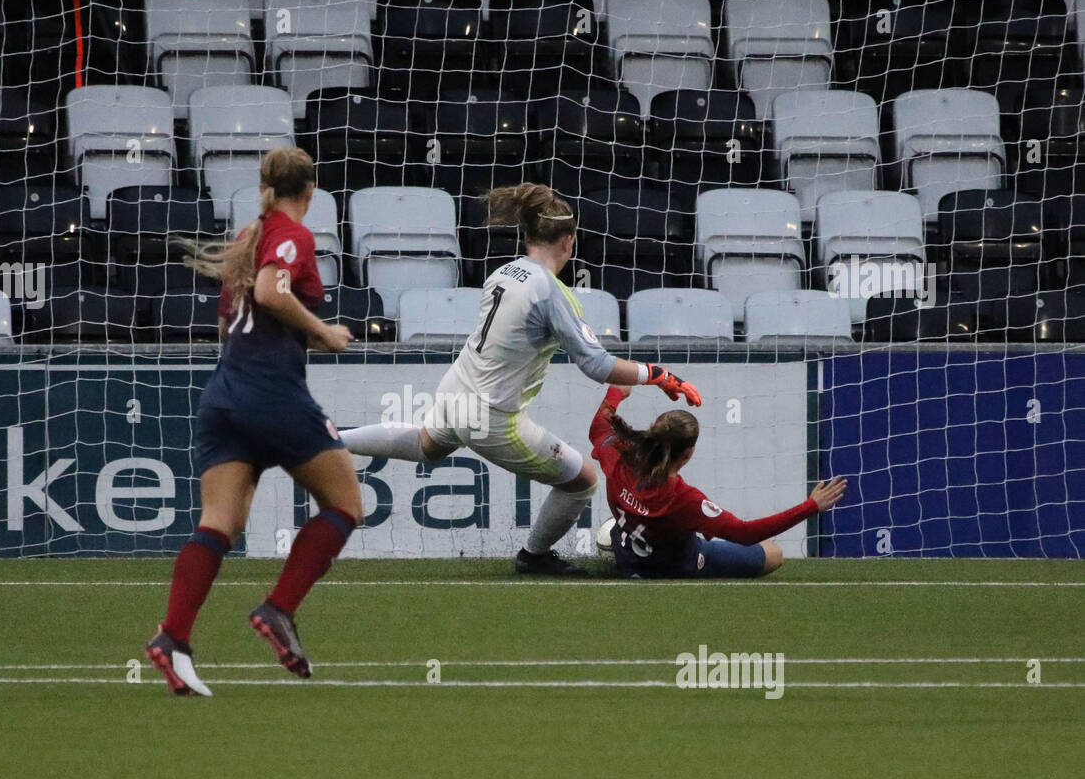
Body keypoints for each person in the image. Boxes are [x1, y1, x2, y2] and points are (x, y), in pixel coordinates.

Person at [340, 183, 701, 576]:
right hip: (493, 416)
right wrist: (660, 375)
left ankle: (332, 440)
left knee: (427, 444)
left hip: (455, 390)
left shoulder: (503, 272)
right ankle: (535, 556)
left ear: (527, 236)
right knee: (581, 480)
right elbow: (597, 366)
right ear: (569, 241)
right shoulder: (551, 293)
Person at [145, 146, 361, 694]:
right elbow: (271, 290)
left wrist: (292, 332)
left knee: (220, 523)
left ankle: (173, 637)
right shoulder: (292, 233)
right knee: (345, 505)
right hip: (271, 392)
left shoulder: (247, 237)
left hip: (225, 391)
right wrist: (324, 331)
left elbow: (232, 317)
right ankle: (279, 609)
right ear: (310, 194)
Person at [590, 385, 848, 578]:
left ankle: (620, 552)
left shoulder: (620, 456)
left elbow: (599, 428)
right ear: (688, 454)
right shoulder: (684, 499)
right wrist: (811, 506)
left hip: (629, 558)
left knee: (625, 530)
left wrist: (616, 390)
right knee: (774, 554)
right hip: (678, 567)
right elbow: (746, 534)